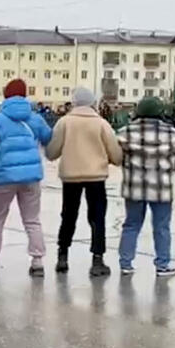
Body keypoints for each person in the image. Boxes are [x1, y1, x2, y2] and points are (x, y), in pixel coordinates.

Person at [0, 79, 52, 278]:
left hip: (4, 177)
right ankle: (37, 261)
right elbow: (48, 138)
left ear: (5, 95)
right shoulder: (35, 119)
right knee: (32, 220)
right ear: (25, 95)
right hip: (31, 177)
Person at [45, 86, 122, 276]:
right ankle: (97, 260)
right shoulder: (102, 124)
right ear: (92, 103)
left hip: (70, 177)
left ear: (74, 102)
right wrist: (110, 159)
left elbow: (51, 152)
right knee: (97, 218)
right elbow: (116, 154)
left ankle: (62, 256)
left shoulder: (64, 122)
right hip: (96, 177)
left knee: (68, 216)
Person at [116, 97, 175, 277]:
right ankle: (162, 265)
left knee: (131, 225)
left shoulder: (125, 132)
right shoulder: (173, 133)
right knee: (162, 227)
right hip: (161, 188)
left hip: (133, 188)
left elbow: (115, 153)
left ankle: (126, 264)